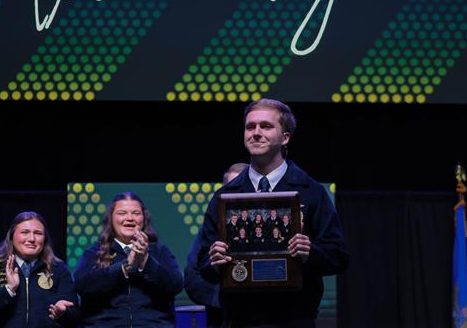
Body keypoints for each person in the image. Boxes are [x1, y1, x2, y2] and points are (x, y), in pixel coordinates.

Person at [197, 98, 350, 327]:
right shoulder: (224, 196)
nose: (256, 133)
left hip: (294, 319)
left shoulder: (312, 192)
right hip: (239, 320)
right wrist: (214, 262)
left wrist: (310, 253)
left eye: (266, 126)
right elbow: (202, 263)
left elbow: (338, 257)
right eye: (250, 127)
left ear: (285, 137)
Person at [74, 191, 183, 327]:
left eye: (136, 213)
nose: (130, 218)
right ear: (111, 219)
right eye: (122, 213)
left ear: (144, 218)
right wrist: (124, 267)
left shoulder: (160, 251)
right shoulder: (95, 252)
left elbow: (176, 285)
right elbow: (81, 285)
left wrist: (145, 260)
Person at [0, 211, 78, 327]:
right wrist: (8, 290)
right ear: (12, 236)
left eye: (38, 233)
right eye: (24, 232)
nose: (32, 238)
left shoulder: (58, 269)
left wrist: (64, 313)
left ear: (45, 239)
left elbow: (75, 318)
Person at [184, 163, 246, 328]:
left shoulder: (265, 227)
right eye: (230, 188)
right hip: (222, 318)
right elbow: (192, 279)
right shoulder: (210, 230)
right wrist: (227, 298)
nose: (236, 195)